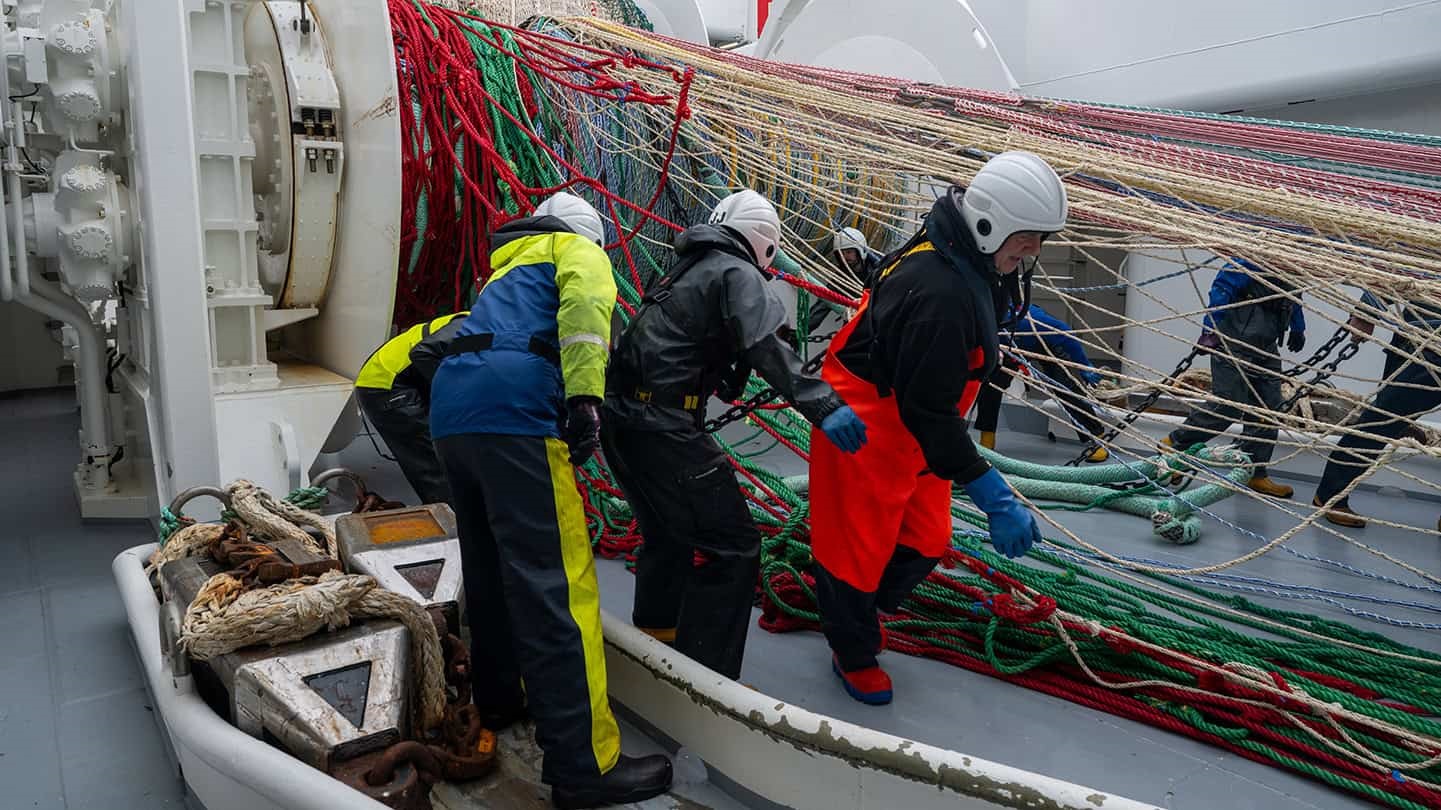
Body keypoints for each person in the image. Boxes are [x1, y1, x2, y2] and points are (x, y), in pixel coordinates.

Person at [428, 191, 672, 808]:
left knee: (488, 568)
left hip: (455, 416)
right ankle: (585, 765)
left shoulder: (506, 269)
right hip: (516, 417)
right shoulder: (578, 250)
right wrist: (586, 402)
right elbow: (588, 315)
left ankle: (500, 698)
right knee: (558, 586)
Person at [808, 151, 1062, 705]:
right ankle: (850, 648)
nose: (1033, 252)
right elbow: (928, 410)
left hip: (918, 425)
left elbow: (931, 402)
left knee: (926, 540)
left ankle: (863, 609)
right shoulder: (938, 291)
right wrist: (993, 494)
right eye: (1028, 238)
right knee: (856, 549)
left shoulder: (964, 252)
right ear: (992, 223)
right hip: (867, 421)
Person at [601, 189, 867, 681]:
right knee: (736, 546)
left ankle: (656, 636)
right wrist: (824, 405)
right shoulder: (736, 271)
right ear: (766, 243)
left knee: (668, 534)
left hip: (623, 426)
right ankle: (705, 678)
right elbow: (765, 343)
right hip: (665, 431)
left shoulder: (684, 269)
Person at [1161, 259, 1306, 498]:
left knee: (1268, 410)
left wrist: (1298, 326)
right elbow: (1223, 287)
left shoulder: (1293, 259)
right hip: (1234, 339)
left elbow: (1293, 294)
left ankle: (1254, 472)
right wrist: (1210, 329)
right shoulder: (1251, 257)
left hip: (1266, 343)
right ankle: (1175, 443)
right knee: (1227, 404)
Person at [1312, 292, 1441, 528]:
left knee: (1385, 418)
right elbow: (1398, 269)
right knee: (1384, 419)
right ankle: (1331, 494)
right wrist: (1365, 313)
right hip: (1425, 344)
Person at [353, 311, 468, 505]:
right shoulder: (473, 325)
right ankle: (453, 525)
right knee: (435, 464)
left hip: (398, 380)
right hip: (386, 384)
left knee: (448, 456)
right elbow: (422, 352)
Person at [973, 303, 1109, 463]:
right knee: (990, 386)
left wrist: (1085, 366)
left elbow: (1065, 334)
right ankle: (987, 440)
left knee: (1063, 387)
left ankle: (1098, 441)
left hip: (1041, 343)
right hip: (1006, 347)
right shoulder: (980, 322)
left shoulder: (1033, 322)